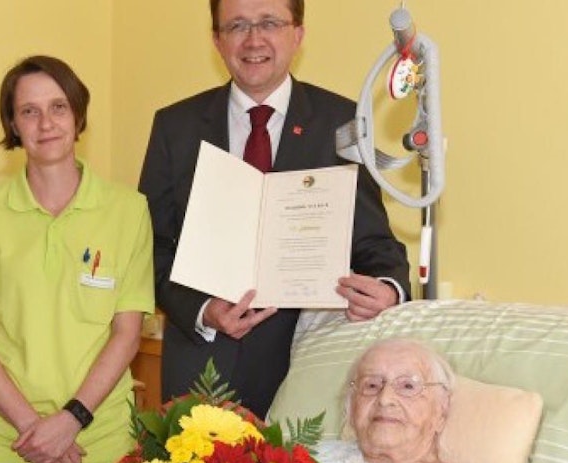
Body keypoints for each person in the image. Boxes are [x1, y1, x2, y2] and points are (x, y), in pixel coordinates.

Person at [137, 0, 411, 418]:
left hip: (309, 371)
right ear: (216, 40)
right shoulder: (175, 127)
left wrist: (388, 290)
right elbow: (148, 248)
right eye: (237, 26)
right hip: (201, 367)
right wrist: (202, 310)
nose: (253, 39)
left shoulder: (343, 122)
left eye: (269, 23)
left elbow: (375, 244)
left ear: (297, 34)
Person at [0, 55, 154, 463]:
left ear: (78, 115)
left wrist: (70, 421)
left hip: (100, 447)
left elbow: (127, 333)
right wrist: (35, 429)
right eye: (29, 111)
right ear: (13, 125)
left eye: (59, 107)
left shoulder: (128, 210)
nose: (46, 123)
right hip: (2, 445)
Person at [317, 339, 485, 463]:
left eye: (408, 386)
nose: (385, 399)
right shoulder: (310, 457)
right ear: (351, 407)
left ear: (441, 410)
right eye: (372, 385)